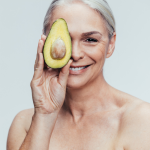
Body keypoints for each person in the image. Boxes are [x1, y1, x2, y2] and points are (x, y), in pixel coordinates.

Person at [7, 0, 150, 149]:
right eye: (63, 39)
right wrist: (44, 115)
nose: (75, 54)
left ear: (111, 44)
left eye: (90, 40)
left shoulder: (142, 120)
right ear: (45, 42)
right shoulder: (25, 123)